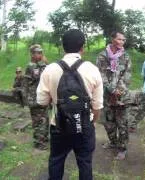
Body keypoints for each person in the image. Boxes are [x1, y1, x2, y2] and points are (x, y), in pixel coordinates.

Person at [37, 29, 103, 180]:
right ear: (82, 47)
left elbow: (41, 102)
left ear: (63, 46)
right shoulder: (92, 70)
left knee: (56, 160)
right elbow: (97, 106)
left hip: (59, 125)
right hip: (85, 126)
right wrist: (91, 121)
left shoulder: (50, 69)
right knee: (85, 163)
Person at [96, 31, 132, 160]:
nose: (122, 42)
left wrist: (119, 90)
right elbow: (100, 74)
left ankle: (122, 148)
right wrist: (111, 89)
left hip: (121, 96)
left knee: (122, 123)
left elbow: (127, 76)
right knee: (108, 122)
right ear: (112, 39)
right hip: (107, 95)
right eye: (119, 39)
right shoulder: (102, 56)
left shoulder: (125, 56)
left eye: (123, 40)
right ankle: (113, 142)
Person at [22, 45, 49, 150]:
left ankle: (44, 138)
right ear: (32, 54)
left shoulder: (39, 65)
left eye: (41, 52)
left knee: (45, 119)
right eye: (38, 53)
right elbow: (42, 75)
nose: (41, 54)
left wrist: (44, 63)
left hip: (41, 97)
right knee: (39, 121)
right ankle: (38, 143)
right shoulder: (32, 66)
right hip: (34, 99)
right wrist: (45, 63)